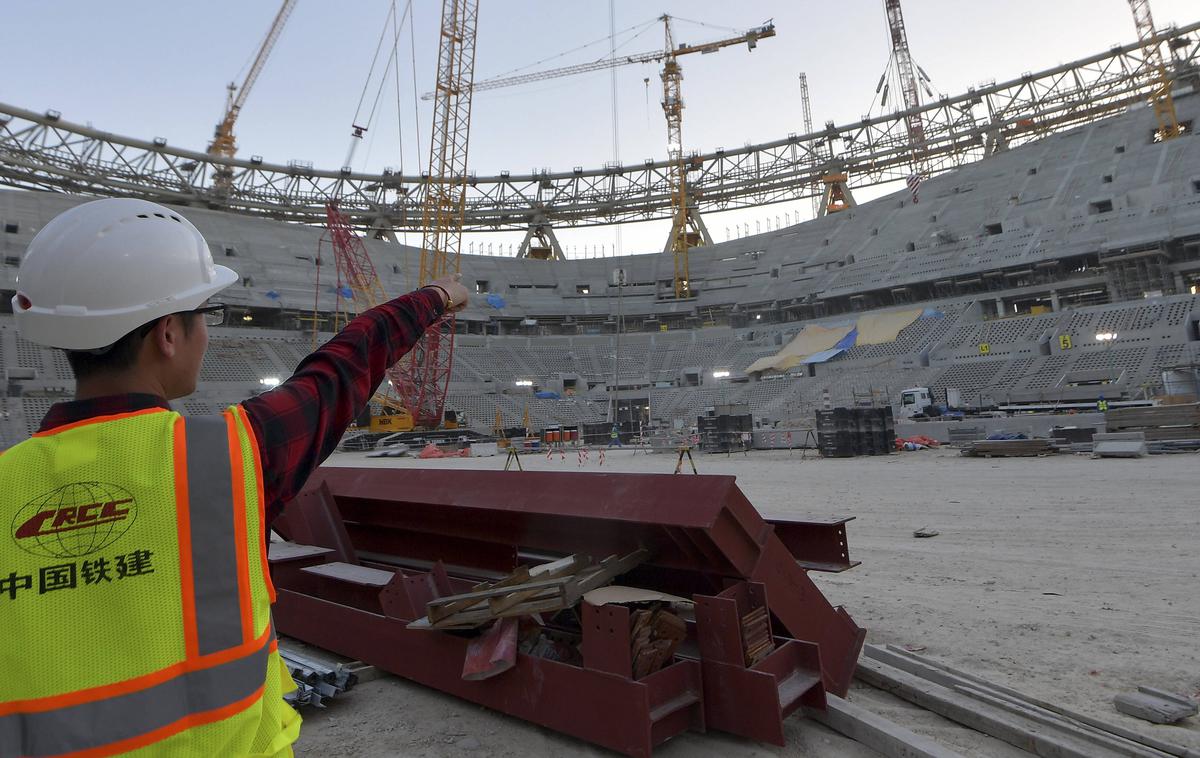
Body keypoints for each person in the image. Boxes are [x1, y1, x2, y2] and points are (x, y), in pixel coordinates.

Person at [0, 197, 469, 757]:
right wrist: (434, 298)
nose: (208, 333)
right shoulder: (228, 455)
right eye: (207, 315)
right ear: (168, 334)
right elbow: (345, 365)